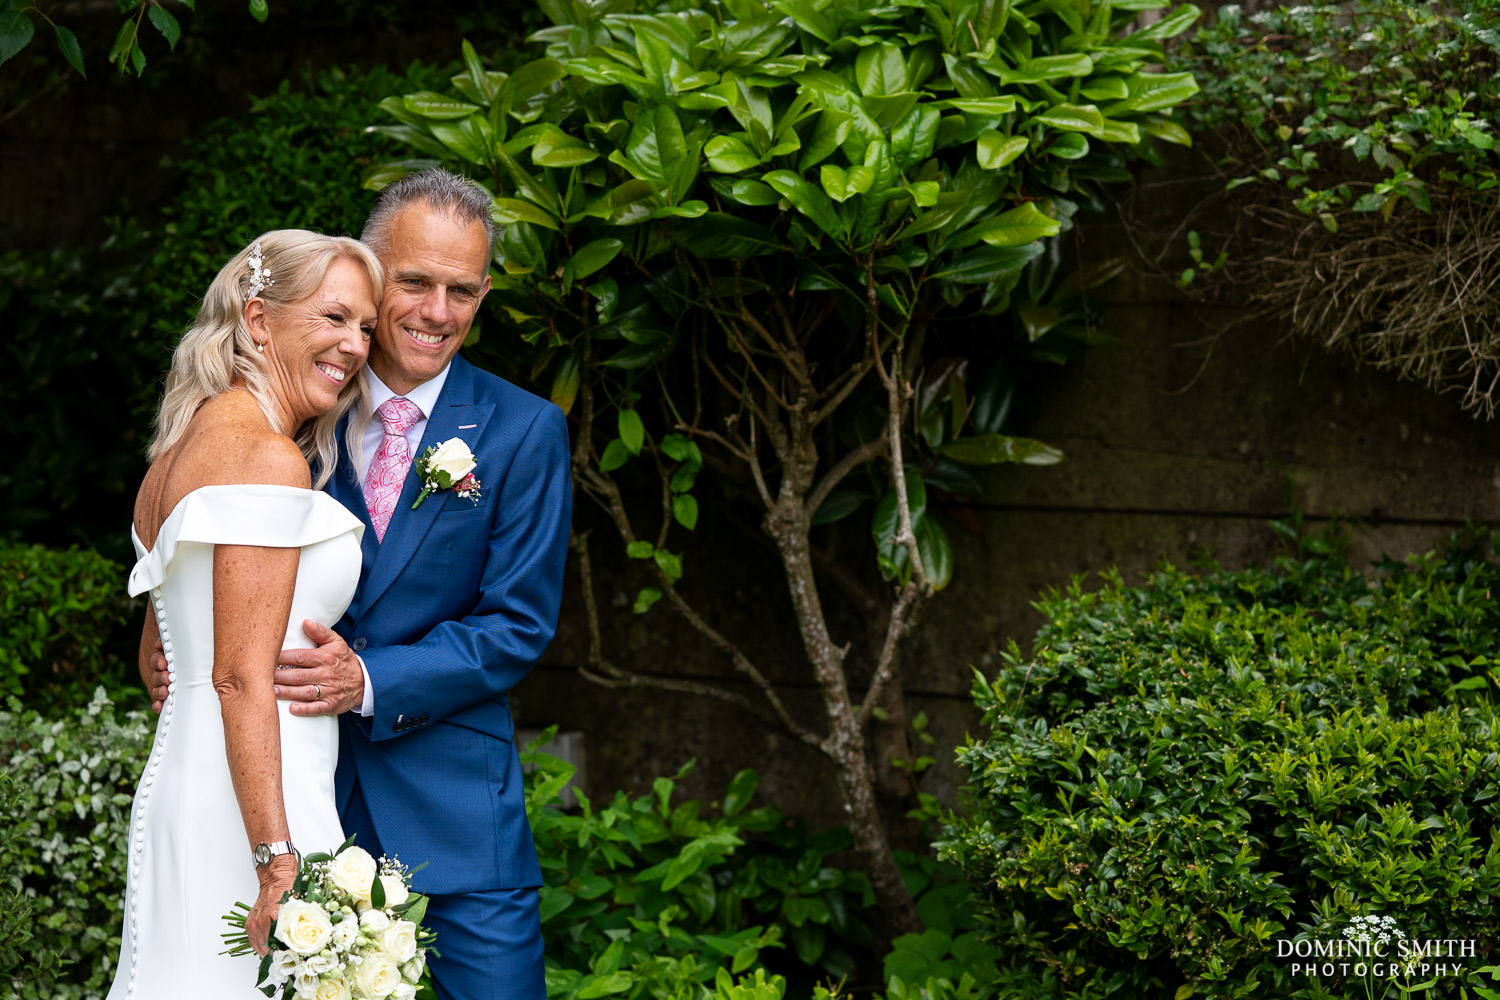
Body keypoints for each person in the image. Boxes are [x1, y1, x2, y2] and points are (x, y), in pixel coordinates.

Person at [148, 170, 574, 999]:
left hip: (456, 815)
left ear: (483, 295)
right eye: (415, 282)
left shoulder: (526, 429)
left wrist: (370, 680)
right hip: (301, 801)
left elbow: (517, 624)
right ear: (373, 277)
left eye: (462, 291)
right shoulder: (294, 408)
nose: (437, 312)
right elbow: (200, 545)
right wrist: (173, 637)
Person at [114, 231, 382, 998]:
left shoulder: (170, 461)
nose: (355, 346)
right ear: (259, 320)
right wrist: (276, 861)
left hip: (187, 784)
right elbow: (236, 677)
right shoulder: (267, 458)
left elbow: (164, 655)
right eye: (334, 317)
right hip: (259, 809)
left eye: (365, 327)